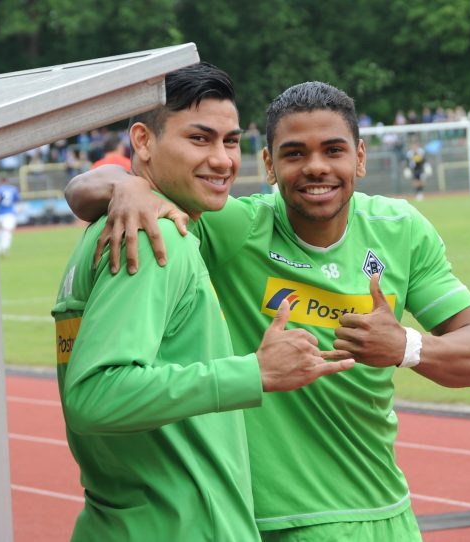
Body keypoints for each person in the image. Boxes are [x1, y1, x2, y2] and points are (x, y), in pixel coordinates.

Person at [66, 81, 470, 541]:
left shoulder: (400, 230)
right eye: (294, 154)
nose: (316, 168)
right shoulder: (234, 226)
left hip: (388, 514)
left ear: (360, 157)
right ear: (269, 165)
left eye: (333, 150)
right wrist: (130, 187)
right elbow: (80, 190)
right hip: (272, 524)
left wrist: (406, 345)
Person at [51, 64, 353, 541]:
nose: (221, 160)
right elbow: (96, 396)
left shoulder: (120, 226)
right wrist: (255, 372)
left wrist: (124, 184)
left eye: (230, 142)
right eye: (200, 139)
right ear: (144, 141)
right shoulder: (154, 237)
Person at [0, 177, 20, 256]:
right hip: (9, 213)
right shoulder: (13, 189)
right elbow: (17, 199)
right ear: (7, 181)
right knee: (7, 231)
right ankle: (4, 248)